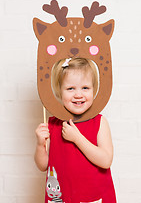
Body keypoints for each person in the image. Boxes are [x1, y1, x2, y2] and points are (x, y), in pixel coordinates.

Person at [34, 57, 117, 203]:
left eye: (85, 88)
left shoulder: (99, 122)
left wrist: (77, 138)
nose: (78, 94)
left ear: (94, 89)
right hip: (62, 196)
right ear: (59, 92)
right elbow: (43, 166)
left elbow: (105, 161)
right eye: (70, 88)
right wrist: (40, 144)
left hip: (93, 195)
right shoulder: (53, 124)